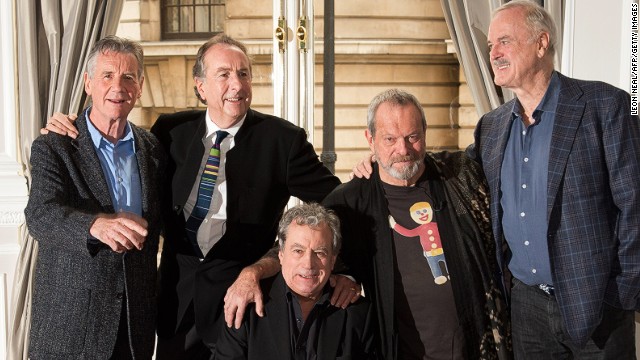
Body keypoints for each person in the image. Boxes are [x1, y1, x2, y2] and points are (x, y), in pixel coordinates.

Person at [44, 33, 357, 359]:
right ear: (201, 86)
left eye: (244, 74)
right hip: (175, 302)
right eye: (224, 75)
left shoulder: (282, 141)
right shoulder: (168, 131)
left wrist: (344, 270)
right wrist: (71, 126)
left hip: (244, 303)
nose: (236, 85)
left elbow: (339, 204)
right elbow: (115, 153)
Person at [466, 1, 640, 358]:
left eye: (504, 42)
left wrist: (622, 293)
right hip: (527, 308)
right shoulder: (492, 126)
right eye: (490, 47)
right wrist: (384, 159)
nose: (493, 53)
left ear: (541, 43)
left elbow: (635, 205)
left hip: (597, 307)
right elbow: (454, 174)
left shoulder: (605, 106)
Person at [327, 88, 510, 359]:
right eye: (389, 139)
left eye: (412, 137)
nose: (403, 150)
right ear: (370, 139)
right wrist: (345, 275)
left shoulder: (461, 175)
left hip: (479, 347)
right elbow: (300, 243)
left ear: (425, 132)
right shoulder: (351, 201)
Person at [24, 36, 165, 359]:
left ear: (140, 86)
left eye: (128, 77)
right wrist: (94, 226)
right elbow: (41, 216)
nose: (118, 86)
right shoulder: (55, 145)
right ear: (88, 83)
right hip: (71, 326)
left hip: (134, 327)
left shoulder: (153, 149)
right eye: (107, 76)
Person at [214, 203, 376, 360]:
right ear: (281, 255)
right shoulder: (245, 305)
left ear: (333, 260)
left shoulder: (357, 314)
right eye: (298, 251)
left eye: (319, 253)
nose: (308, 263)